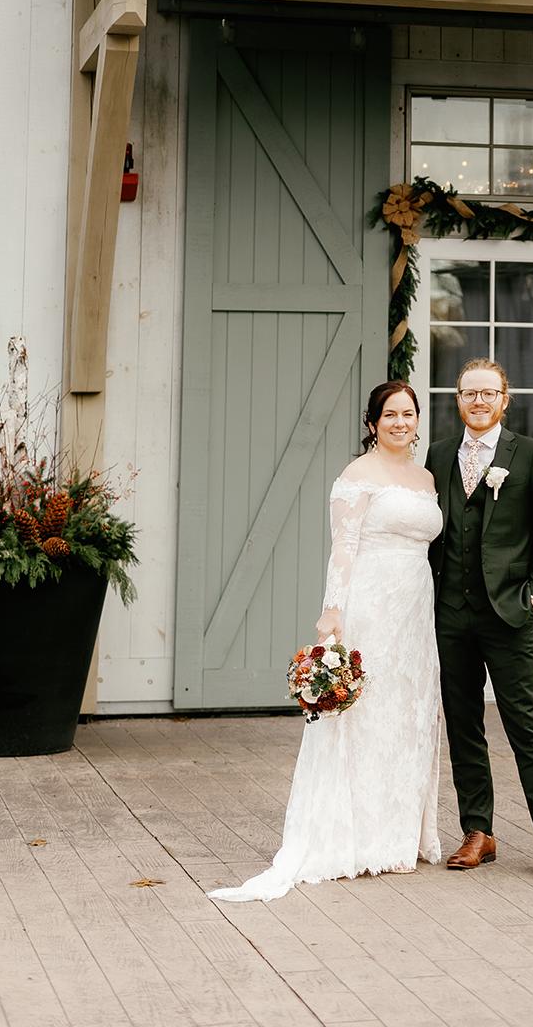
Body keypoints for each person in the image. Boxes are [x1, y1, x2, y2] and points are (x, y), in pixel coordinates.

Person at [209, 380, 443, 901]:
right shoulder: (357, 475)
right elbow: (344, 547)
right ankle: (354, 839)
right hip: (371, 604)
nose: (400, 423)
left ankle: (398, 837)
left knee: (407, 715)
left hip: (415, 612)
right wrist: (333, 611)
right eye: (390, 415)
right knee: (365, 715)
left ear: (417, 421)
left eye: (408, 414)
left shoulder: (427, 478)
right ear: (372, 423)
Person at [426, 356, 533, 882]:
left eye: (489, 393)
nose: (479, 401)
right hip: (451, 615)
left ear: (504, 400)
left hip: (508, 613)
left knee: (525, 726)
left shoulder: (529, 454)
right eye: (470, 393)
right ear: (458, 400)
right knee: (464, 725)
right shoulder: (438, 455)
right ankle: (478, 832)